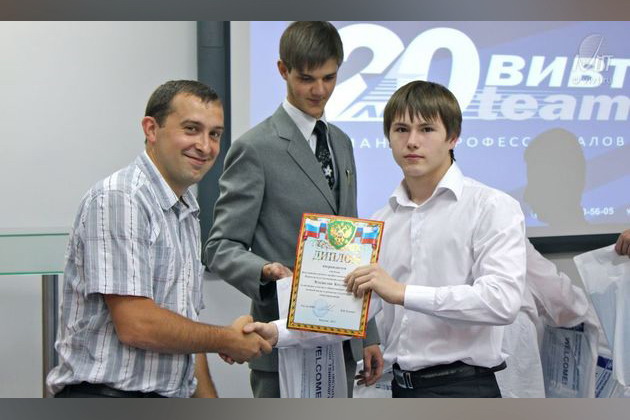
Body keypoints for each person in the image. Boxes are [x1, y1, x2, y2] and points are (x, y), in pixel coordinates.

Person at [46, 80, 272, 398]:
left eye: (215, 134)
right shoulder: (121, 198)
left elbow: (184, 329)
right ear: (151, 129)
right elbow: (136, 324)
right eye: (191, 129)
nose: (205, 146)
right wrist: (226, 338)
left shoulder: (185, 209)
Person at [203, 21, 383, 398]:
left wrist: (368, 333)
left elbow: (350, 244)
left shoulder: (342, 142)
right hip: (279, 340)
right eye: (306, 78)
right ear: (282, 70)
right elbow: (219, 246)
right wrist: (263, 270)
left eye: (329, 77)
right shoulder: (255, 148)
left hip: (340, 341)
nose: (319, 90)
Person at [343, 80, 526, 398]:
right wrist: (275, 332)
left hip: (465, 391)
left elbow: (501, 302)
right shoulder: (380, 222)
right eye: (401, 129)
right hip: (401, 390)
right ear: (389, 138)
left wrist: (403, 293)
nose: (412, 141)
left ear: (453, 137)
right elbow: (350, 309)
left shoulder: (491, 207)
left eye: (426, 129)